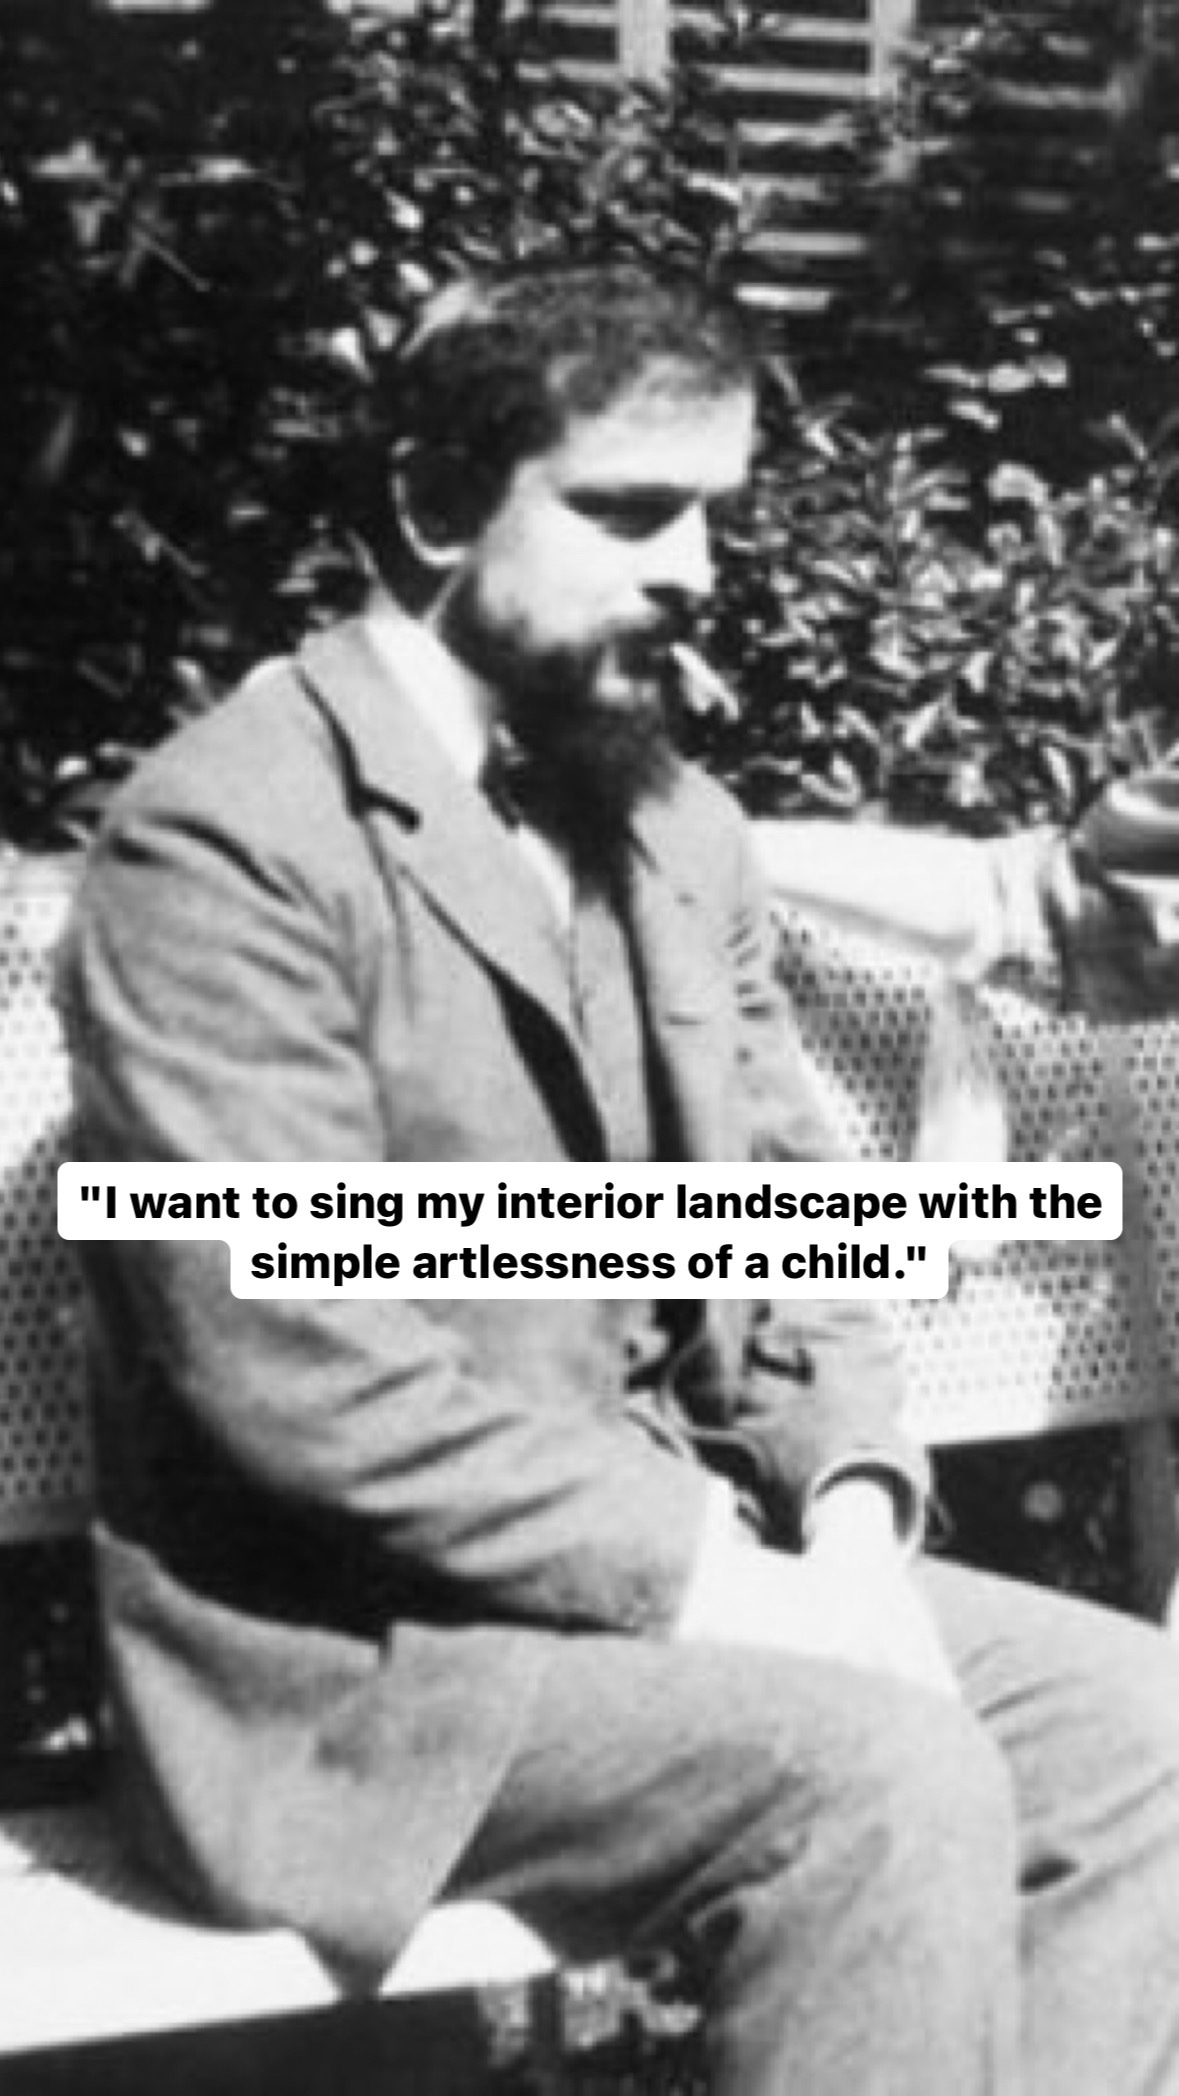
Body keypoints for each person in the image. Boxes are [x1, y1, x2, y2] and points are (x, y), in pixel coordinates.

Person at [58, 260, 1179, 2096]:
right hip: (356, 1673)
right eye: (631, 510)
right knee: (876, 1778)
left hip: (678, 1599)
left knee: (1139, 1734)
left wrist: (849, 1520)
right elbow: (295, 1373)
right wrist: (726, 1583)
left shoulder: (669, 826)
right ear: (435, 502)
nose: (695, 570)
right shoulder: (224, 842)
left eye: (713, 516)